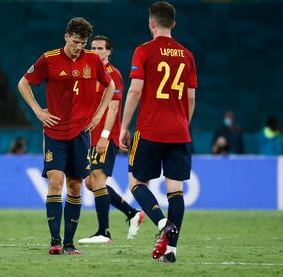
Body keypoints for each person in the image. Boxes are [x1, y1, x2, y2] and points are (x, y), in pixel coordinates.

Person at [17, 17, 115, 255]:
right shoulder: (48, 59)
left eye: (82, 42)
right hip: (54, 131)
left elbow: (109, 86)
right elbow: (23, 83)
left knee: (75, 185)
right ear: (66, 37)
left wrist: (97, 114)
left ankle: (70, 244)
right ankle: (55, 242)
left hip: (81, 133)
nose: (78, 47)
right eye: (75, 41)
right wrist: (38, 111)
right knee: (55, 181)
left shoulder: (92, 60)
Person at [120, 1, 197, 263]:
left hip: (151, 130)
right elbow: (191, 98)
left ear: (151, 23)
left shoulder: (144, 51)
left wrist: (123, 126)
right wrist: (182, 123)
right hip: (179, 131)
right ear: (173, 24)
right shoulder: (187, 55)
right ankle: (171, 250)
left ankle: (162, 222)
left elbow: (134, 91)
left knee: (136, 183)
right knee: (175, 191)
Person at [78, 35, 145, 244]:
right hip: (89, 136)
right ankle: (132, 213)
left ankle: (103, 232)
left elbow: (114, 107)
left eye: (100, 48)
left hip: (105, 137)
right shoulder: (87, 73)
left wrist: (106, 136)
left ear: (109, 51)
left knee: (97, 179)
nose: (96, 51)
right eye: (93, 48)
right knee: (90, 183)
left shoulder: (112, 74)